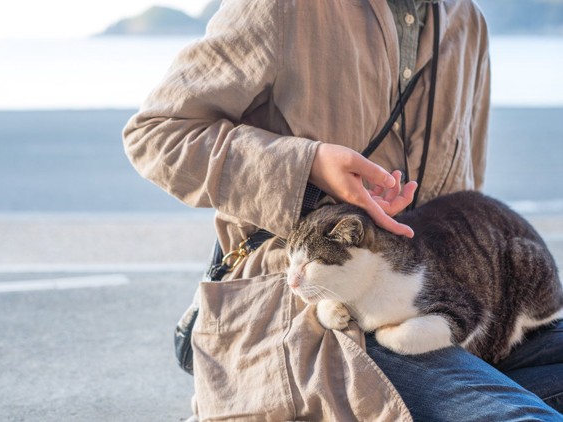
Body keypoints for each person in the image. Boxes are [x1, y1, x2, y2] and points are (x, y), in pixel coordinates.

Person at [123, 0, 563, 420]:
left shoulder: (468, 20)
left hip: (436, 309)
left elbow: (465, 194)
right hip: (312, 315)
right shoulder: (283, 7)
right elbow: (156, 135)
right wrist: (307, 166)